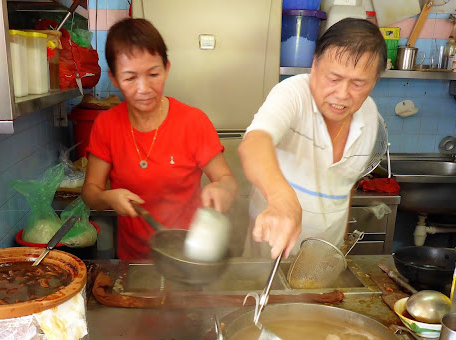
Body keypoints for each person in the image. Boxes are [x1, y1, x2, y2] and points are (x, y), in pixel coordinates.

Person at [82, 18, 238, 259]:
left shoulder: (193, 122)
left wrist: (223, 190)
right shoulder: (106, 125)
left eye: (153, 74)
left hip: (187, 255)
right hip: (133, 259)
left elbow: (227, 179)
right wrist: (108, 197)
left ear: (167, 68)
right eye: (130, 78)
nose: (144, 88)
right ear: (113, 79)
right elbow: (90, 192)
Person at [239, 18, 386, 259]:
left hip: (322, 259)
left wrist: (341, 241)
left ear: (374, 82)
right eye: (334, 78)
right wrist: (281, 199)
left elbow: (345, 184)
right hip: (269, 254)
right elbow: (254, 144)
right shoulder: (293, 93)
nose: (342, 94)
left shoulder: (370, 115)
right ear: (315, 64)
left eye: (358, 83)